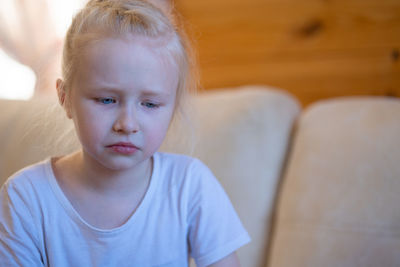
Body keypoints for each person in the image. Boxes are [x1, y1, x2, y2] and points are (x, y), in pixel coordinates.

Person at [0, 0, 250, 266]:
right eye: (107, 100)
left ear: (173, 107)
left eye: (150, 104)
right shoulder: (25, 197)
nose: (127, 124)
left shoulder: (190, 186)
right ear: (65, 98)